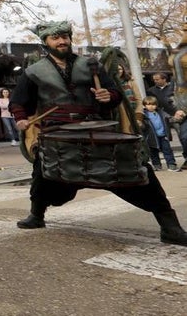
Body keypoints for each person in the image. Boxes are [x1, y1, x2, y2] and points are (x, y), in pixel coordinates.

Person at [10, 21, 187, 245]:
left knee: (136, 167)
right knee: (42, 175)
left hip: (96, 127)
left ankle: (169, 226)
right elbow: (18, 102)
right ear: (45, 42)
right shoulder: (33, 72)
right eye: (55, 38)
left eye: (65, 36)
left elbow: (115, 93)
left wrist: (108, 96)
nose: (62, 41)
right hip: (57, 131)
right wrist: (21, 119)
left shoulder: (91, 65)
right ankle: (36, 215)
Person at [140, 96, 178, 171]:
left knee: (167, 150)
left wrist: (175, 118)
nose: (151, 106)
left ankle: (171, 164)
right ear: (144, 105)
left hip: (163, 135)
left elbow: (169, 118)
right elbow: (143, 126)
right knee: (153, 151)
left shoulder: (161, 112)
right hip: (152, 137)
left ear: (156, 105)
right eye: (148, 104)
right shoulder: (144, 115)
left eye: (153, 104)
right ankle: (157, 165)